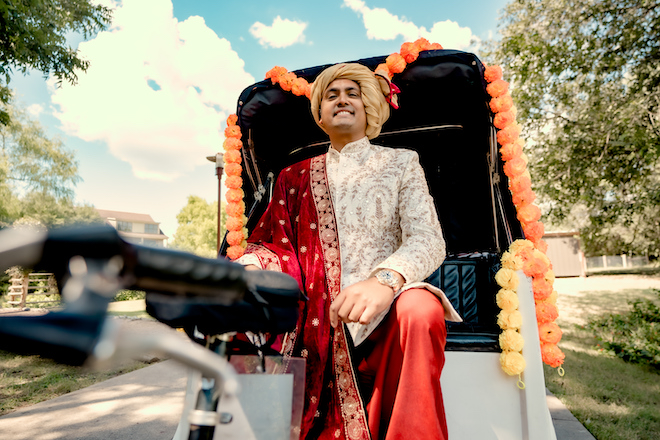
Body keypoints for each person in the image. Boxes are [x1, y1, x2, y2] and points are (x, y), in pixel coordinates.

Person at [236, 63, 461, 440]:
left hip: (387, 312)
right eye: (331, 95)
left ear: (369, 108)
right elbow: (271, 247)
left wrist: (384, 282)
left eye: (352, 93)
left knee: (422, 309)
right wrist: (245, 269)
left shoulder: (401, 162)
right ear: (320, 115)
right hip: (318, 319)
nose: (342, 100)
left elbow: (428, 239)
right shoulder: (295, 175)